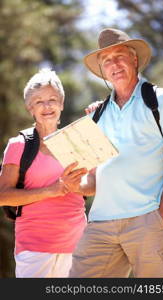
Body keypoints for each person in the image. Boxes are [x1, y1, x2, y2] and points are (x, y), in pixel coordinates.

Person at [69, 28, 163, 278]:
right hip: (100, 223)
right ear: (102, 70)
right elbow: (92, 182)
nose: (114, 64)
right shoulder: (97, 115)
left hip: (148, 218)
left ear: (134, 59)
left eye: (119, 55)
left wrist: (162, 213)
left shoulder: (161, 100)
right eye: (107, 60)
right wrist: (73, 184)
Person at [0, 68, 90, 278]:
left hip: (78, 247)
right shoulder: (18, 145)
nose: (47, 106)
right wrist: (52, 190)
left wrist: (77, 185)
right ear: (29, 108)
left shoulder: (78, 141)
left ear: (61, 104)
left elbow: (93, 186)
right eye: (39, 101)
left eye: (52, 99)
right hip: (34, 249)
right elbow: (3, 195)